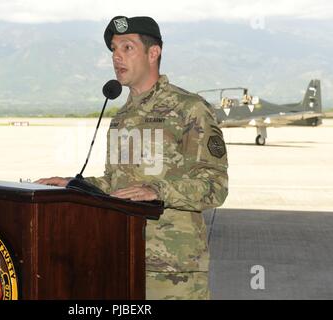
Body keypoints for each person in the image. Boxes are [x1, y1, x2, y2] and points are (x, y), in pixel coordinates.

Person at [36, 16, 228, 299]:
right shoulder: (121, 119)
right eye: (114, 49)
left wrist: (157, 190)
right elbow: (116, 184)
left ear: (154, 53)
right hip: (119, 262)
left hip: (172, 273)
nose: (116, 57)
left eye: (127, 48)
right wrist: (74, 186)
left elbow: (215, 186)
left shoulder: (190, 109)